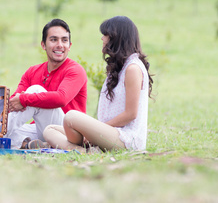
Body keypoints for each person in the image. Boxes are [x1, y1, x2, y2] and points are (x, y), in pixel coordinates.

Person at [44, 16, 153, 153]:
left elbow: (131, 114)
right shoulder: (121, 67)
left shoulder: (132, 68)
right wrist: (93, 131)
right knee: (49, 129)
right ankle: (84, 150)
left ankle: (82, 149)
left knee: (71, 116)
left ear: (116, 38)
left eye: (105, 35)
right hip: (110, 132)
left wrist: (97, 129)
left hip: (126, 140)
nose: (102, 39)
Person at [6, 19, 88, 149]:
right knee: (16, 130)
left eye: (64, 40)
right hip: (41, 129)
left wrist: (24, 99)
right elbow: (14, 102)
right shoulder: (32, 72)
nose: (60, 45)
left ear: (70, 45)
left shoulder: (75, 70)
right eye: (54, 40)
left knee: (36, 90)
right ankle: (27, 144)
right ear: (43, 45)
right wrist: (17, 101)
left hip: (69, 132)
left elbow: (61, 99)